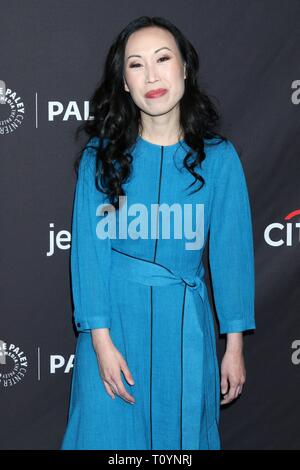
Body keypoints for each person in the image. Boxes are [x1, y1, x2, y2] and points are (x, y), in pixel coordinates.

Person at [60, 15, 256, 450]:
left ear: (185, 67)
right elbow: (88, 257)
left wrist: (235, 346)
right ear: (124, 83)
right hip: (114, 332)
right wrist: (101, 344)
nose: (152, 75)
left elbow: (232, 255)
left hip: (186, 331)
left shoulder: (220, 160)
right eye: (136, 64)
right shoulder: (100, 158)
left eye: (163, 58)